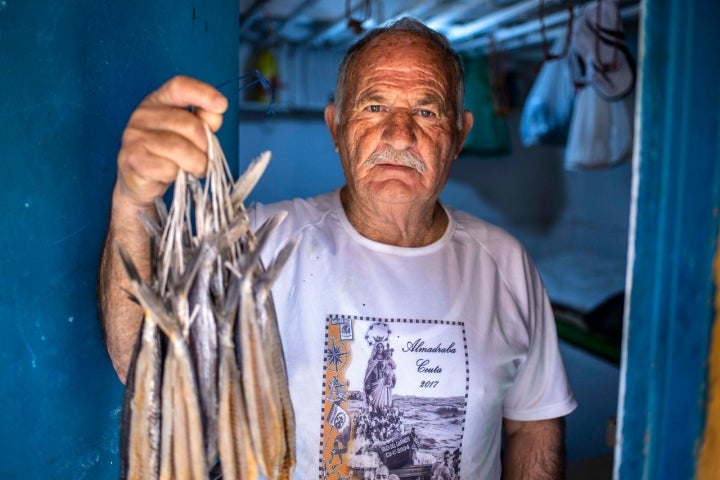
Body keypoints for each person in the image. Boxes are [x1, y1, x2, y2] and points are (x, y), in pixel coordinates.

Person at [98, 17, 576, 479]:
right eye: (374, 107)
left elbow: (533, 424)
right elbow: (139, 362)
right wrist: (133, 198)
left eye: (427, 112)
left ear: (459, 136)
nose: (399, 134)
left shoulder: (506, 264)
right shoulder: (258, 242)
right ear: (335, 127)